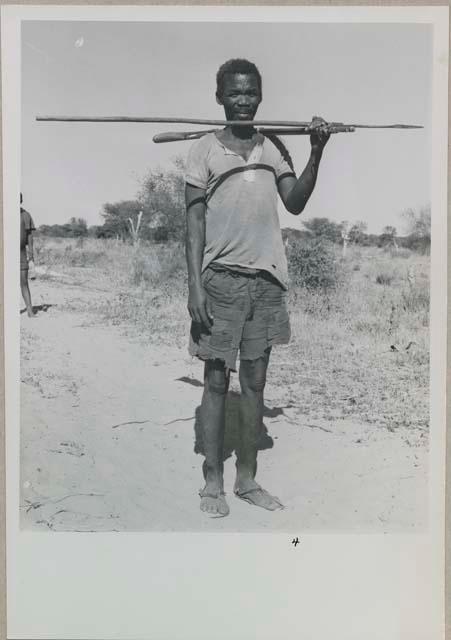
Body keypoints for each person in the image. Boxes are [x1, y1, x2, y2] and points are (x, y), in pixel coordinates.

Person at [185, 59, 330, 517]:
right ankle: (213, 481)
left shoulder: (272, 146)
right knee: (214, 380)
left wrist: (316, 151)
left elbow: (295, 202)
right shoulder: (203, 150)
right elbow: (192, 224)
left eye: (250, 93)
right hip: (220, 281)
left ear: (260, 97)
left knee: (254, 383)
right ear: (220, 97)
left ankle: (246, 479)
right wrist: (195, 287)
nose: (243, 101)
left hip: (266, 281)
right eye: (234, 93)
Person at [20, 193, 37, 317]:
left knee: (24, 282)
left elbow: (30, 238)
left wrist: (31, 256)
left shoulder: (26, 215)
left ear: (21, 200)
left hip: (21, 254)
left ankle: (30, 310)